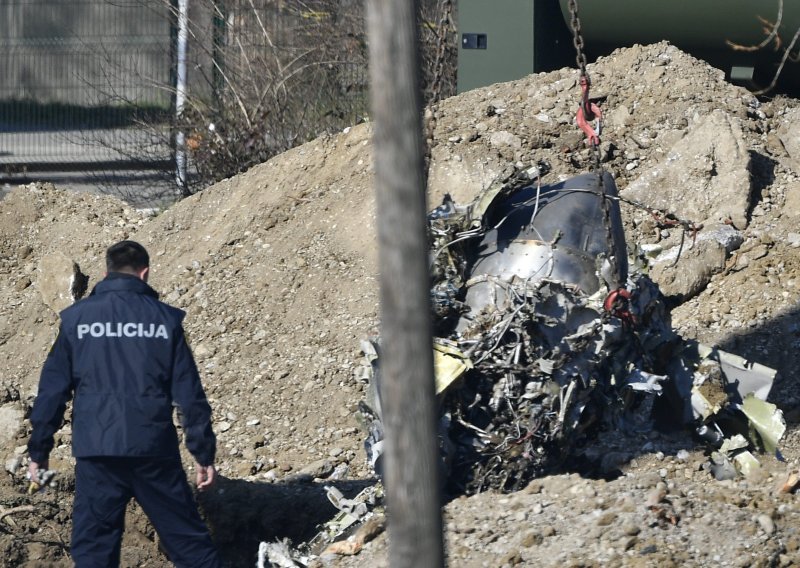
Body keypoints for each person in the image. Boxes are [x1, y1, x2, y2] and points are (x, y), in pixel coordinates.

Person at [27, 240, 222, 567]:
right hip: (153, 450)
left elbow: (52, 392)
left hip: (96, 451)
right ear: (144, 273)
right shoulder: (167, 321)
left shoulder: (75, 320)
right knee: (191, 547)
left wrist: (39, 453)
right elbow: (190, 395)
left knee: (93, 551)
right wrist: (203, 454)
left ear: (105, 272)